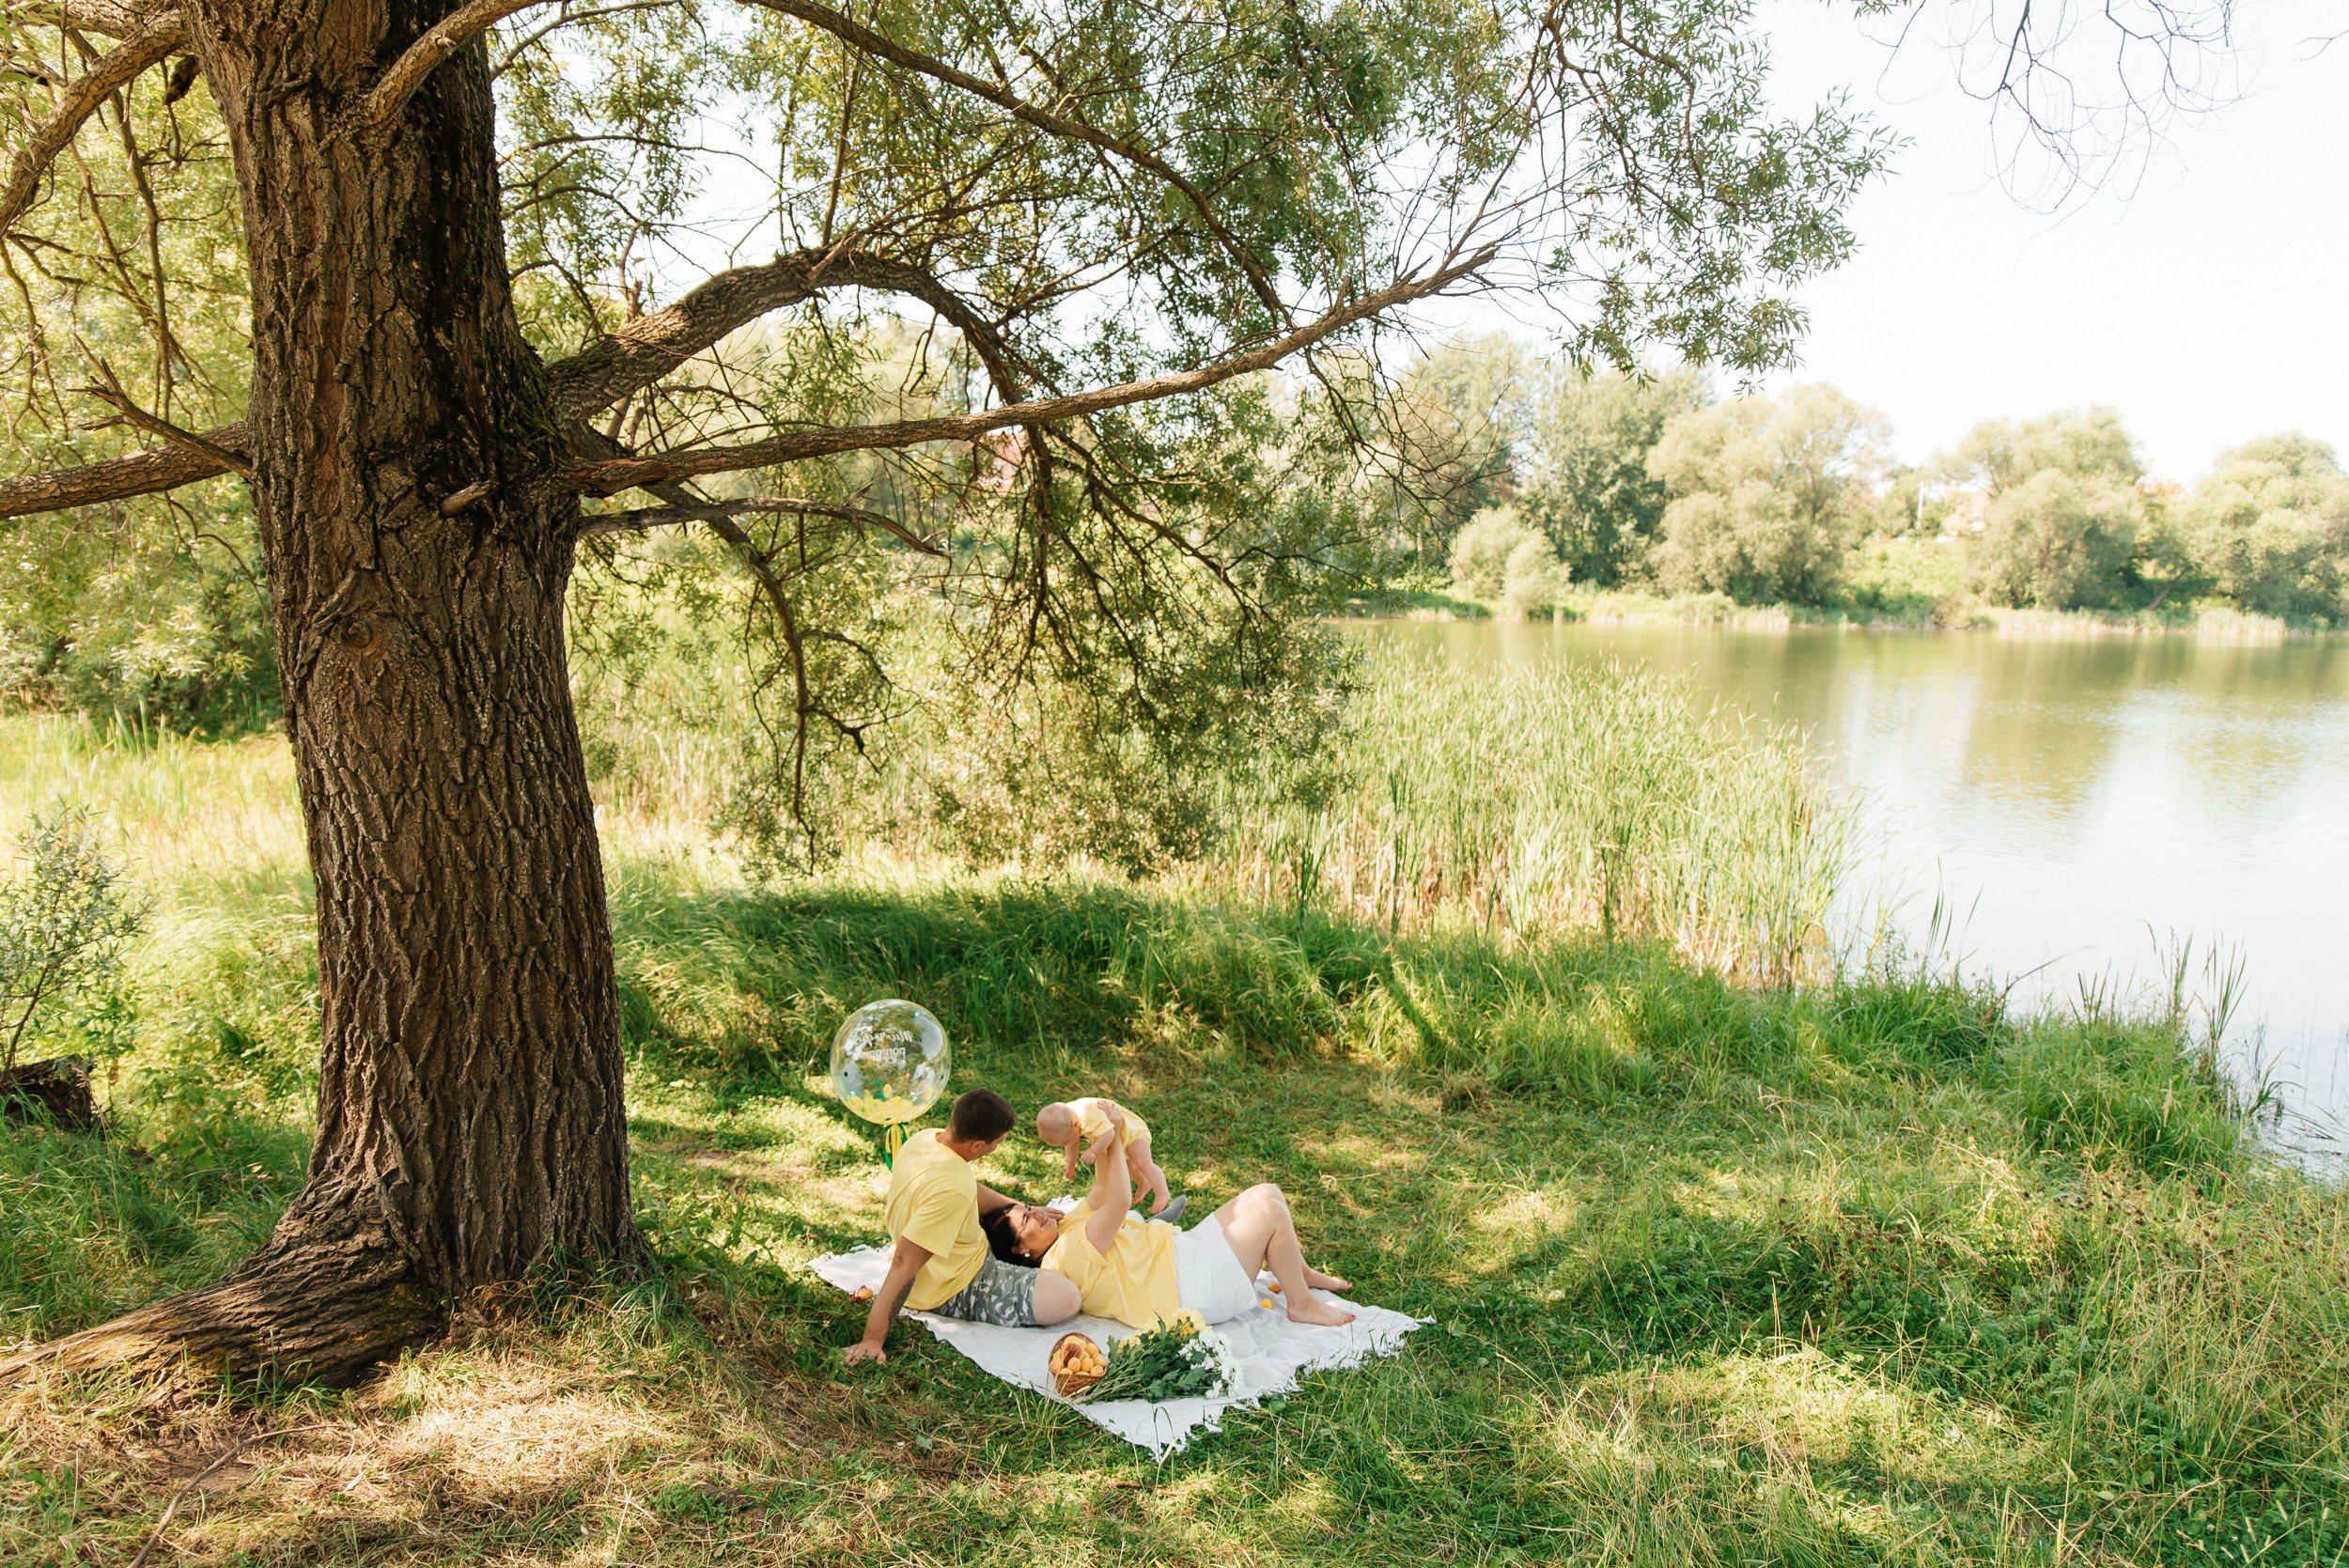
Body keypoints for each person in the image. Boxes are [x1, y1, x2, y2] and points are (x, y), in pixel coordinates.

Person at [982, 1105, 1355, 1329]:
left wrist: (1104, 1129)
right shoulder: (1063, 1260)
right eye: (1027, 1221)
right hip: (1186, 1290)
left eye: (1029, 1208)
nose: (1038, 1214)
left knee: (1267, 1192)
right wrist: (1112, 1139)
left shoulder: (1066, 1226)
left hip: (1181, 1253)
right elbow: (1118, 1202)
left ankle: (1299, 1274)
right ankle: (1301, 1306)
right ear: (1020, 1251)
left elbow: (1100, 1190)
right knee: (1271, 1212)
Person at [844, 1089, 1081, 1365]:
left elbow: (971, 1189)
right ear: (978, 1146)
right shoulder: (954, 1190)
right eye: (998, 1142)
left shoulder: (926, 1139)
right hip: (956, 1285)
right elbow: (904, 1262)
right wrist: (873, 1339)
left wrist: (1024, 1207)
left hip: (954, 1257)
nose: (998, 1147)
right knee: (1066, 1297)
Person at [1035, 1094, 1177, 1216]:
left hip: (1133, 1132)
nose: (1066, 1144)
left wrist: (1093, 1150)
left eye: (1064, 1141)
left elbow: (1109, 1133)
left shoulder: (1087, 1116)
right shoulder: (1067, 1118)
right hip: (1121, 1134)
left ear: (1074, 1124)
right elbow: (1072, 1142)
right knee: (1129, 1165)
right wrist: (1070, 1164)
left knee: (1144, 1164)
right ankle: (1144, 1183)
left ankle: (1162, 1193)